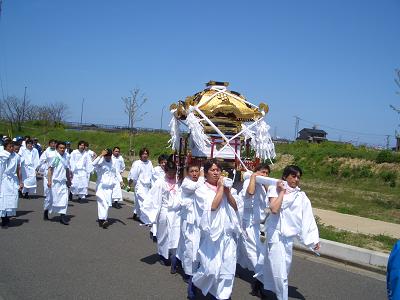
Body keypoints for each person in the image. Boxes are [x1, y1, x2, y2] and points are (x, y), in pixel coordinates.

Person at [256, 165, 320, 300]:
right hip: (275, 236)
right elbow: (274, 209)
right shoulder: (274, 188)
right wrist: (282, 192)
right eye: (293, 176)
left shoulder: (301, 196)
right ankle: (281, 297)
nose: (296, 180)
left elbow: (308, 218)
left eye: (298, 177)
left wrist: (314, 239)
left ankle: (261, 286)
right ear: (285, 177)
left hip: (288, 239)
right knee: (281, 275)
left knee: (282, 270)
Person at [192, 159, 241, 300]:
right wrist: (220, 189)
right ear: (206, 173)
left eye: (218, 170)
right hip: (212, 237)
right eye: (212, 170)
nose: (216, 173)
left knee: (227, 270)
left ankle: (223, 296)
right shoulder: (202, 190)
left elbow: (236, 206)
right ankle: (196, 282)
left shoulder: (227, 188)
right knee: (210, 269)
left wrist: (228, 192)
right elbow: (212, 207)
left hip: (227, 236)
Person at [141, 160, 181, 274]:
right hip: (165, 211)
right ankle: (163, 255)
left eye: (174, 172)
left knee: (176, 234)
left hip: (176, 212)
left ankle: (175, 255)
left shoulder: (178, 181)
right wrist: (151, 213)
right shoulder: (160, 182)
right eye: (170, 172)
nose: (172, 175)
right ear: (165, 171)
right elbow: (152, 198)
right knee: (164, 234)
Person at [237, 163, 271, 296]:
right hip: (249, 224)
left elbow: (270, 199)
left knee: (262, 251)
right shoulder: (248, 182)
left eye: (267, 173)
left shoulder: (265, 186)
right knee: (251, 251)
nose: (265, 175)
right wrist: (253, 178)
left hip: (262, 224)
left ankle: (259, 279)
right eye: (262, 172)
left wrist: (266, 184)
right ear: (255, 172)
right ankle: (260, 281)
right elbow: (250, 193)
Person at [176, 163, 204, 299]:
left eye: (197, 171)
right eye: (192, 171)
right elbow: (196, 187)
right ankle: (189, 273)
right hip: (188, 221)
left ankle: (177, 262)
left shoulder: (200, 182)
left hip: (199, 222)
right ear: (187, 173)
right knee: (189, 246)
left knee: (196, 247)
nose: (194, 173)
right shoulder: (187, 183)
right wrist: (203, 177)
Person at [92, 149, 123, 229]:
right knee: (102, 202)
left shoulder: (113, 163)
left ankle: (101, 219)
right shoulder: (101, 162)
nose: (108, 158)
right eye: (106, 156)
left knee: (106, 204)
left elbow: (117, 173)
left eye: (109, 156)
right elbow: (93, 163)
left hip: (109, 188)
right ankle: (103, 220)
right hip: (101, 187)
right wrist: (101, 155)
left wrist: (121, 181)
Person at [46, 141, 72, 225]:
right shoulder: (56, 157)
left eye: (64, 148)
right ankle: (46, 211)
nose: (62, 149)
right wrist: (49, 181)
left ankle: (62, 217)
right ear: (57, 149)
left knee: (64, 200)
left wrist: (69, 180)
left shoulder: (66, 157)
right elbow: (50, 169)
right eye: (60, 148)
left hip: (63, 182)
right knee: (52, 199)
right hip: (55, 182)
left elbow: (67, 169)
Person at [0, 140, 23, 228]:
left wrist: (21, 182)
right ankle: (4, 218)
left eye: (12, 146)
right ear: (5, 147)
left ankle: (8, 215)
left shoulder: (16, 156)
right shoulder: (2, 155)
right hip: (3, 180)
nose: (12, 148)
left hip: (13, 180)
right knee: (3, 199)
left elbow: (18, 169)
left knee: (12, 199)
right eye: (9, 146)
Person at [128, 147, 153, 221]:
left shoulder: (150, 163)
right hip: (140, 186)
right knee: (144, 202)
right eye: (143, 154)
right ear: (140, 155)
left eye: (146, 154)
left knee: (138, 201)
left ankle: (136, 213)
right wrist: (129, 185)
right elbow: (133, 176)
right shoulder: (137, 163)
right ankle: (145, 219)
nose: (145, 155)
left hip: (147, 186)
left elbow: (152, 174)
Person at [38, 139, 57, 219]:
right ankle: (46, 211)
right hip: (48, 175)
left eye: (54, 143)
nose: (53, 145)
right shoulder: (46, 152)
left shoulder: (58, 152)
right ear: (49, 144)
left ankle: (58, 211)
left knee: (55, 195)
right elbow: (41, 161)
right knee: (48, 194)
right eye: (52, 143)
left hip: (56, 175)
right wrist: (38, 169)